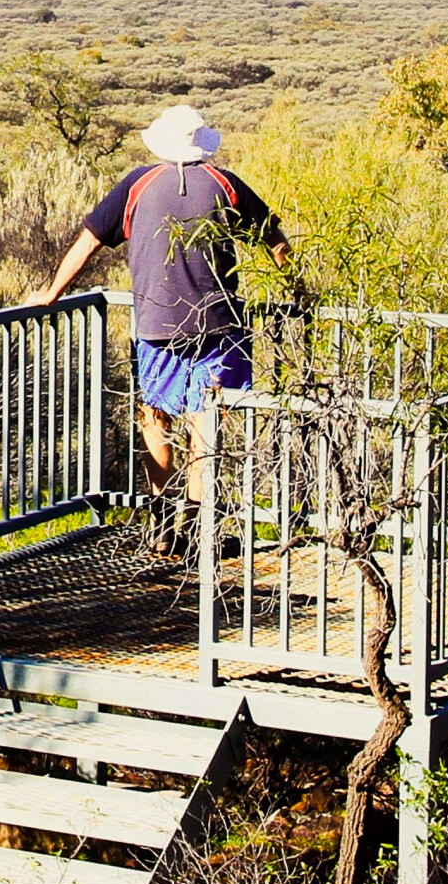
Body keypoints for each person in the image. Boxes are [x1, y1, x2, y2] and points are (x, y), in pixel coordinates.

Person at [30, 105, 300, 550]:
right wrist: (299, 291)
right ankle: (195, 526)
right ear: (202, 145)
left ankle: (160, 521)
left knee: (154, 417)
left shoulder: (138, 184)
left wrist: (52, 292)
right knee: (204, 426)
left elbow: (89, 241)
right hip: (221, 325)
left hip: (156, 324)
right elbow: (275, 240)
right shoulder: (226, 184)